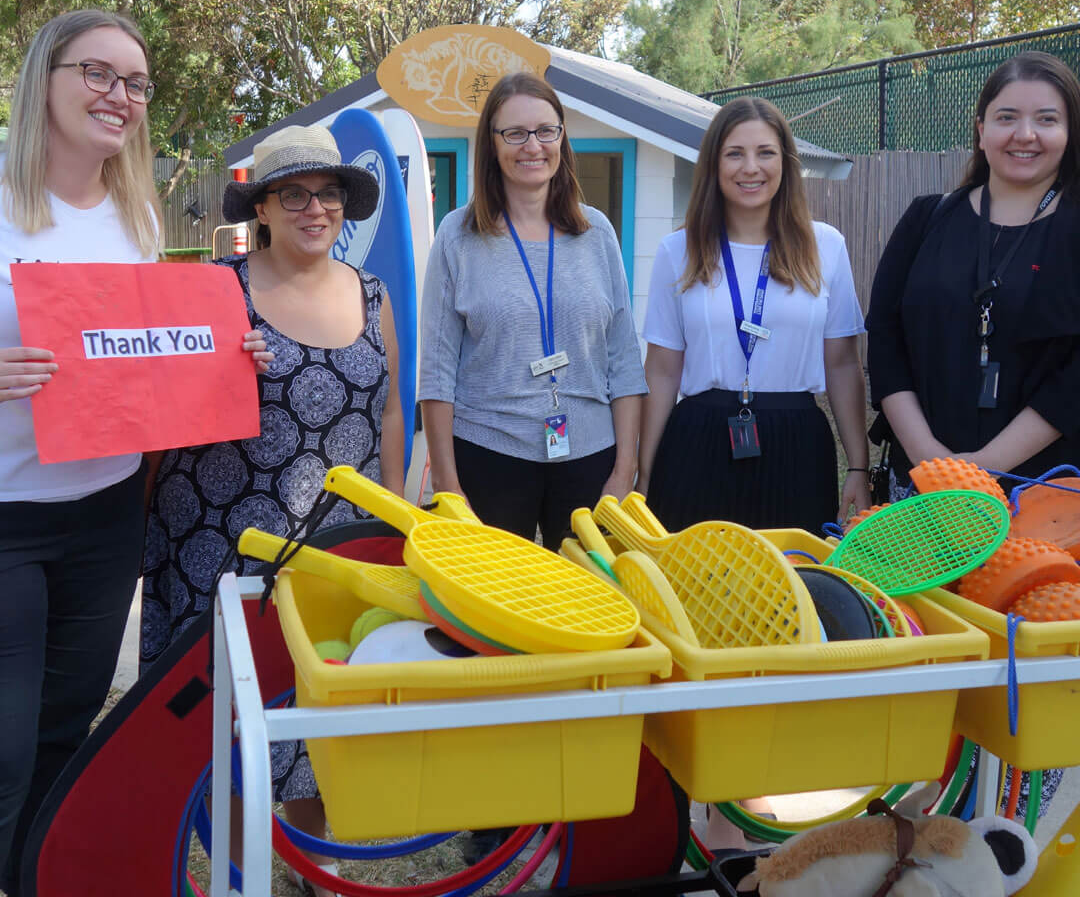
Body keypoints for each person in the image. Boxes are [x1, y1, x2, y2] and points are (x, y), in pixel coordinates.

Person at [0, 9, 266, 893]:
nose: (121, 97)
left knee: (65, 730)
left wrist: (226, 351)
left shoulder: (136, 211)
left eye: (137, 83)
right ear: (48, 75)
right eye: (100, 74)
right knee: (2, 748)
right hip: (6, 517)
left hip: (105, 514)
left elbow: (143, 356)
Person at [139, 122, 402, 891]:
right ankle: (246, 868)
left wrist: (390, 521)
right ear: (265, 207)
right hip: (219, 543)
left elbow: (391, 410)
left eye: (327, 195)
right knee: (227, 719)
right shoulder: (218, 287)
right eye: (295, 195)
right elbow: (161, 401)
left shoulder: (375, 293)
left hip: (332, 551)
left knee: (323, 711)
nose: (314, 209)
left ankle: (310, 863)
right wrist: (216, 365)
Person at [419, 71, 646, 550]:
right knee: (495, 613)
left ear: (562, 138)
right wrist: (447, 484)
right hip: (488, 453)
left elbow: (624, 361)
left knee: (586, 609)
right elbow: (437, 372)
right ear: (492, 144)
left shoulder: (597, 233)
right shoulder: (457, 236)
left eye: (546, 130)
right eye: (515, 133)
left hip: (590, 456)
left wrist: (625, 471)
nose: (532, 146)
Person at [638, 96, 870, 535]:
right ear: (714, 164)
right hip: (698, 439)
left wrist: (858, 467)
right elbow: (663, 371)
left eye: (765, 153)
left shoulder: (826, 247)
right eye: (735, 154)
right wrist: (644, 472)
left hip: (797, 442)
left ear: (785, 162)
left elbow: (841, 364)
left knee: (791, 586)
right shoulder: (678, 251)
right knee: (695, 588)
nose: (751, 168)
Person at [867, 51, 1080, 496]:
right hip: (921, 487)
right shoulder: (926, 219)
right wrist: (929, 458)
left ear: (1069, 133)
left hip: (1042, 491)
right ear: (982, 131)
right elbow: (886, 341)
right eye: (1007, 118)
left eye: (1046, 119)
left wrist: (985, 465)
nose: (1025, 135)